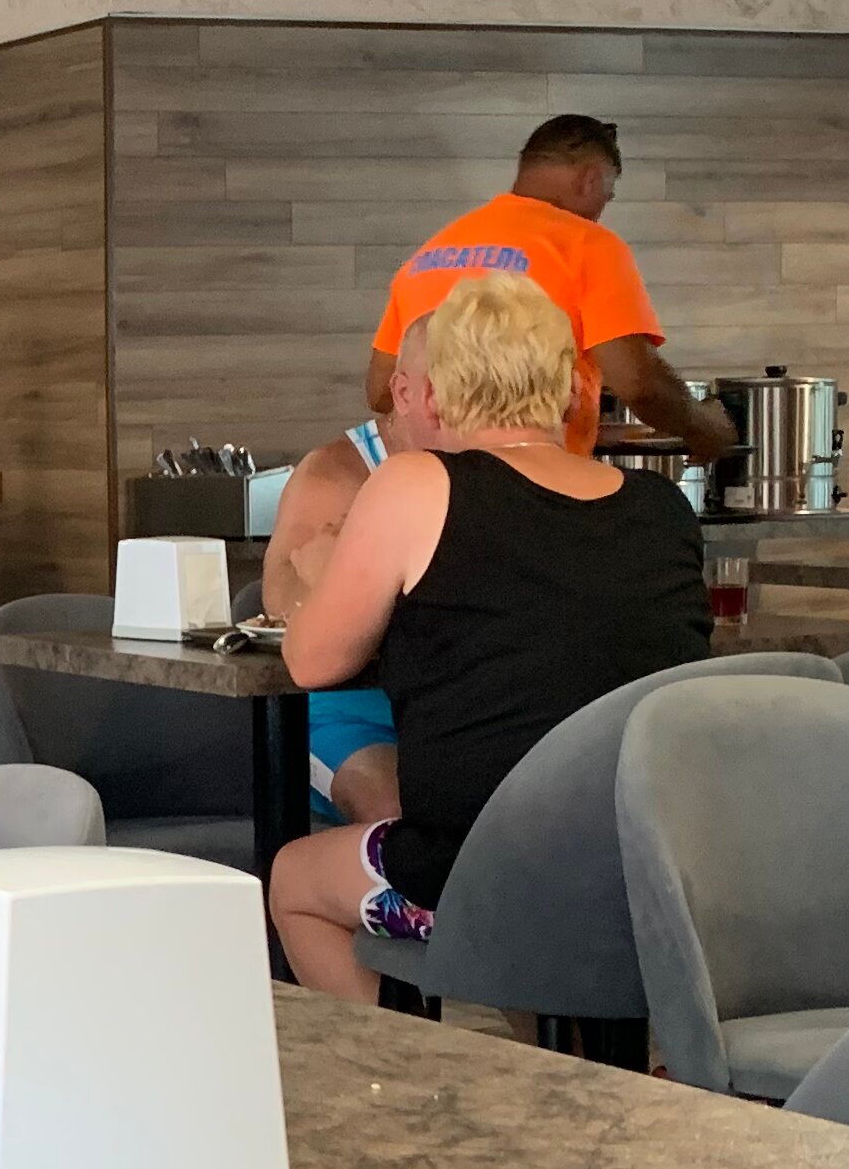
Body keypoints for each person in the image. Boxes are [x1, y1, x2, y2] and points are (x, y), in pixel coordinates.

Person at [267, 270, 708, 1004]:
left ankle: (415, 1071)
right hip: (658, 865)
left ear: (435, 394)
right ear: (573, 391)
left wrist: (316, 577)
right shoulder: (663, 506)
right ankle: (549, 1060)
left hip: (486, 868)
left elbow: (309, 661)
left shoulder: (416, 484)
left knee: (294, 880)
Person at [364, 114, 735, 465]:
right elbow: (638, 383)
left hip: (432, 489)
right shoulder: (586, 244)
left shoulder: (431, 253)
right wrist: (704, 427)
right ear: (591, 179)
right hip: (537, 489)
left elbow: (381, 392)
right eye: (608, 195)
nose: (603, 208)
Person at [257, 315, 428, 829]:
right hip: (343, 706)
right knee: (396, 814)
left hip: (446, 703)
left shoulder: (483, 459)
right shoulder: (336, 472)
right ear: (404, 392)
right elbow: (281, 599)